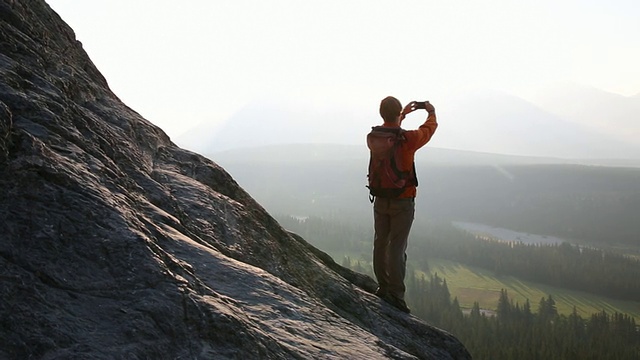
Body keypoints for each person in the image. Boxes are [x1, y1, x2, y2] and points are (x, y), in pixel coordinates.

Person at [371, 96, 438, 313]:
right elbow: (428, 130)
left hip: (380, 198)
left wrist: (401, 115)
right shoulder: (407, 139)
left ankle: (382, 286)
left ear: (381, 113)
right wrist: (430, 112)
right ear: (398, 112)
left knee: (380, 242)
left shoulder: (375, 136)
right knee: (397, 248)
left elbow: (389, 127)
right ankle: (396, 295)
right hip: (403, 200)